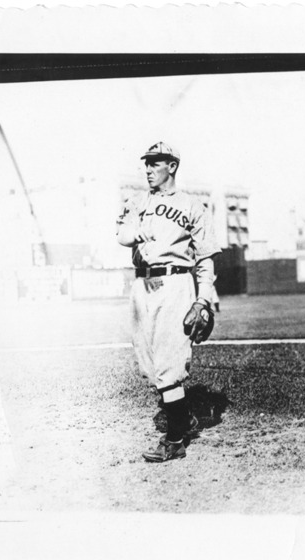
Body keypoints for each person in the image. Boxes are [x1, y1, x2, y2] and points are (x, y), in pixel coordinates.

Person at [116, 142, 220, 462]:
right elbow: (122, 235)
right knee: (148, 365)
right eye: (146, 164)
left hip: (175, 282)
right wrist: (134, 233)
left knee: (168, 364)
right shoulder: (137, 201)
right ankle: (183, 416)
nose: (147, 169)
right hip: (141, 285)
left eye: (155, 163)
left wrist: (203, 300)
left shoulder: (192, 205)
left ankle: (174, 440)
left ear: (172, 166)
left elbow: (205, 258)